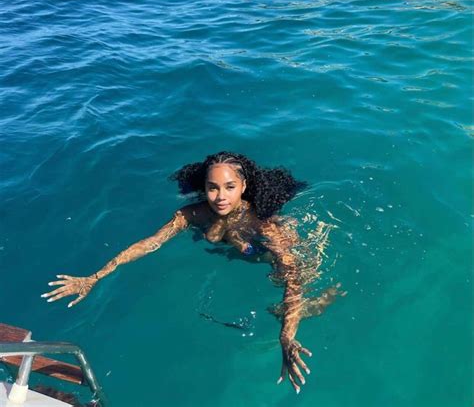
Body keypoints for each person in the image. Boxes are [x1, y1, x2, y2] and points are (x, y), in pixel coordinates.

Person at [42, 152, 340, 393]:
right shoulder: (191, 214)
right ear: (204, 187)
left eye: (230, 187)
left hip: (261, 253)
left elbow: (292, 276)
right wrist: (95, 277)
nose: (220, 196)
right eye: (213, 188)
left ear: (244, 187)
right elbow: (150, 243)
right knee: (216, 236)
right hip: (229, 244)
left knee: (290, 282)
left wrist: (286, 337)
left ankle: (311, 306)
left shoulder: (264, 224)